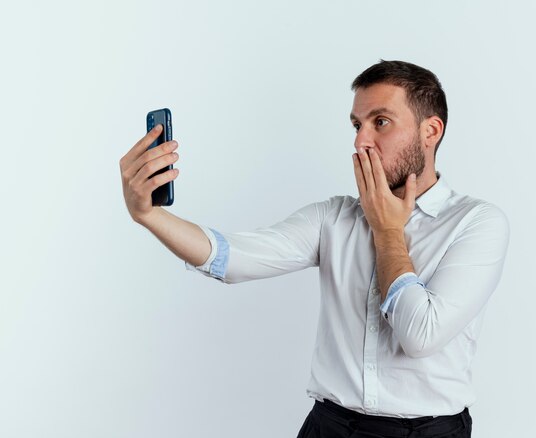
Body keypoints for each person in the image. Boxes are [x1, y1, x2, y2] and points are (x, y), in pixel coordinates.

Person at [119, 60, 510, 438]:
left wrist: (387, 230)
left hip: (429, 431)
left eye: (381, 122)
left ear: (431, 131)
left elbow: (420, 334)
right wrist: (148, 216)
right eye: (357, 125)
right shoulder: (334, 217)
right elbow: (233, 258)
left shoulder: (477, 223)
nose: (361, 141)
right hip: (330, 426)